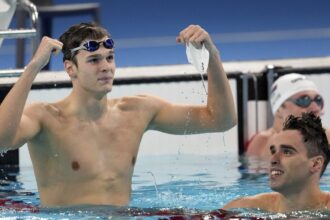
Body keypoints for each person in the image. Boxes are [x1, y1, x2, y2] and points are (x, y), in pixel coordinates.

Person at [0, 23, 236, 207]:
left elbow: (220, 120)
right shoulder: (46, 118)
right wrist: (33, 67)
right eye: (94, 60)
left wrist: (212, 55)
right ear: (70, 68)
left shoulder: (136, 111)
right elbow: (2, 140)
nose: (106, 67)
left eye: (110, 57)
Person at [224, 112, 330, 212]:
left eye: (287, 152)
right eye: (273, 151)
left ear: (316, 164)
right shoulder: (245, 208)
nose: (273, 159)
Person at [246, 73, 330, 159]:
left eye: (318, 100)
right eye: (304, 100)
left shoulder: (327, 136)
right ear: (279, 109)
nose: (315, 107)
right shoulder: (262, 142)